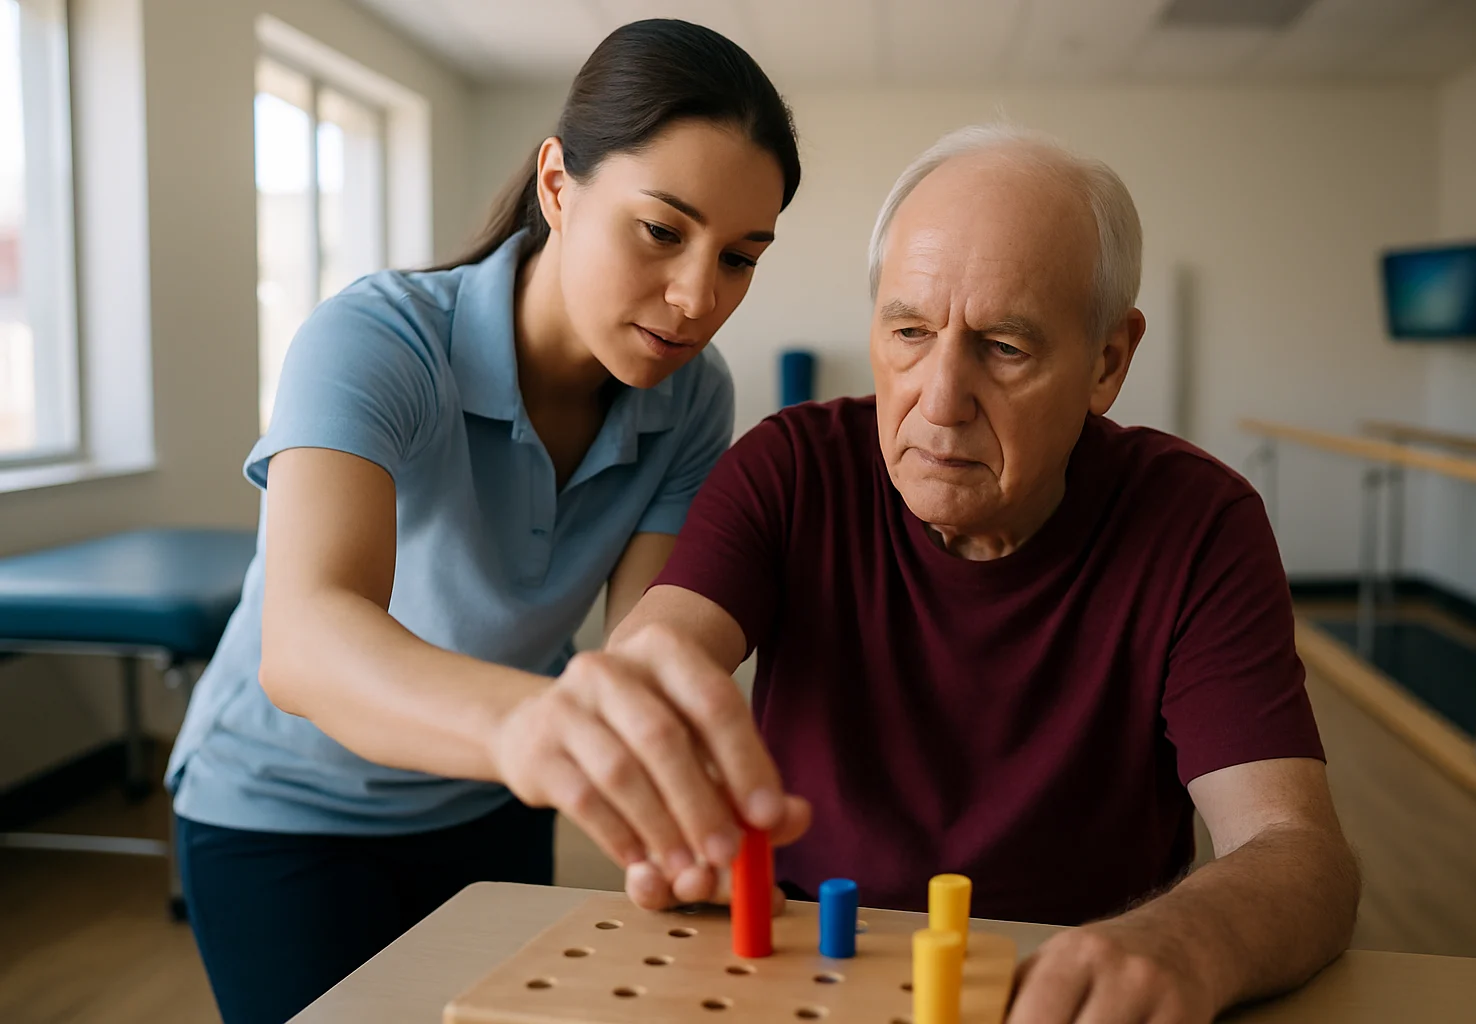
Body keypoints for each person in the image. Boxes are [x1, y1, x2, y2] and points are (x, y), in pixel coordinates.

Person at [585, 125, 1361, 1024]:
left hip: (1076, 994)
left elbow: (1298, 850)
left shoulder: (1198, 522)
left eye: (1004, 347)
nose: (940, 400)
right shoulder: (790, 469)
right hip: (812, 969)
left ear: (1107, 361)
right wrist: (650, 739)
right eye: (910, 332)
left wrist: (1186, 942)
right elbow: (657, 655)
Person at [165, 20, 801, 1024]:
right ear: (558, 185)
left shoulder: (693, 396)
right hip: (283, 812)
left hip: (487, 802)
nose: (696, 298)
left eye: (738, 257)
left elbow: (650, 645)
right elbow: (305, 638)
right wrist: (533, 723)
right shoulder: (376, 339)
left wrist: (683, 790)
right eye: (661, 231)